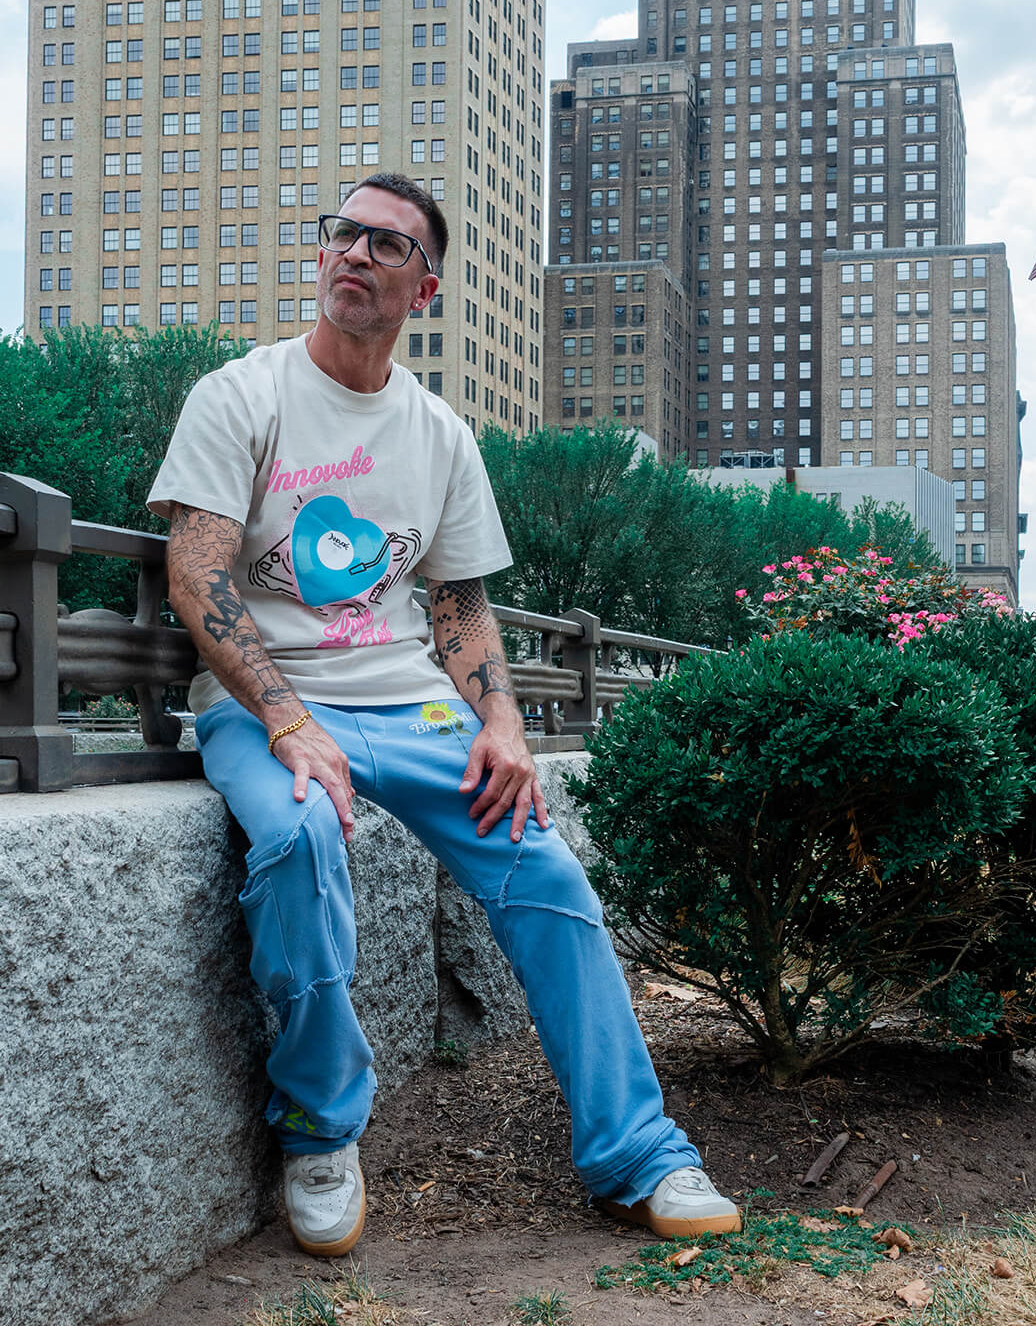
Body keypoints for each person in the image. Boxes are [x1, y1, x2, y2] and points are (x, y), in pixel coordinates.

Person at [149, 172, 741, 1257]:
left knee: (548, 874)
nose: (356, 254)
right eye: (344, 234)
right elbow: (197, 575)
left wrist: (503, 727)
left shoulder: (438, 434)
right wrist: (287, 720)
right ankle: (321, 1130)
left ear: (423, 288)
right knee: (297, 838)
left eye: (388, 245)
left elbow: (459, 606)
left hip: (412, 708)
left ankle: (638, 1154)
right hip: (267, 705)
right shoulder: (240, 395)